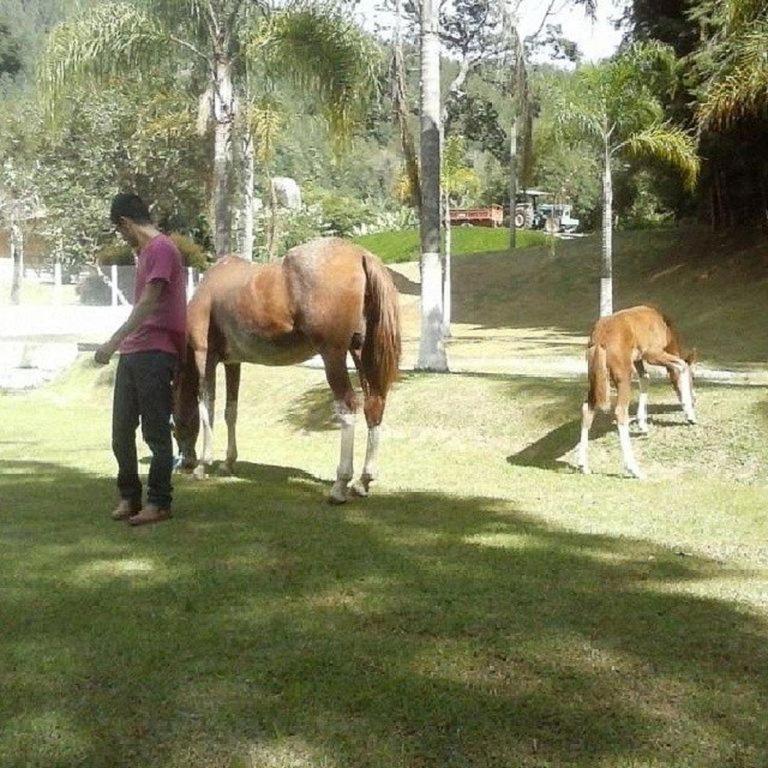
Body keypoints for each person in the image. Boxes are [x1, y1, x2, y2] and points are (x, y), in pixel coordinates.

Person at [94, 193, 187, 526]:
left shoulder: (161, 249)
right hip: (134, 352)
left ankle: (159, 502)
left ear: (126, 223)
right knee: (121, 431)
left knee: (156, 433)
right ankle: (130, 496)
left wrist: (111, 342)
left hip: (157, 351)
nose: (123, 239)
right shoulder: (146, 252)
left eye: (121, 232)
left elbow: (148, 303)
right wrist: (123, 344)